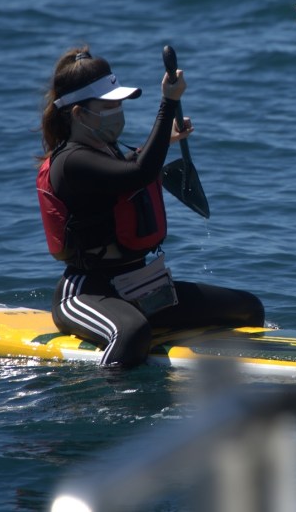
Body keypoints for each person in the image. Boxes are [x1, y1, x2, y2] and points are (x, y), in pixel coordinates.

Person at [37, 46, 264, 368]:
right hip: (86, 293)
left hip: (139, 286)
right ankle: (108, 395)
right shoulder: (71, 160)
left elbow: (133, 164)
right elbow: (138, 173)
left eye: (120, 104)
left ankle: (235, 382)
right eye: (109, 105)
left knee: (248, 309)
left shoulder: (108, 152)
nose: (118, 111)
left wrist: (165, 139)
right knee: (132, 333)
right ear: (79, 114)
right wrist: (168, 103)